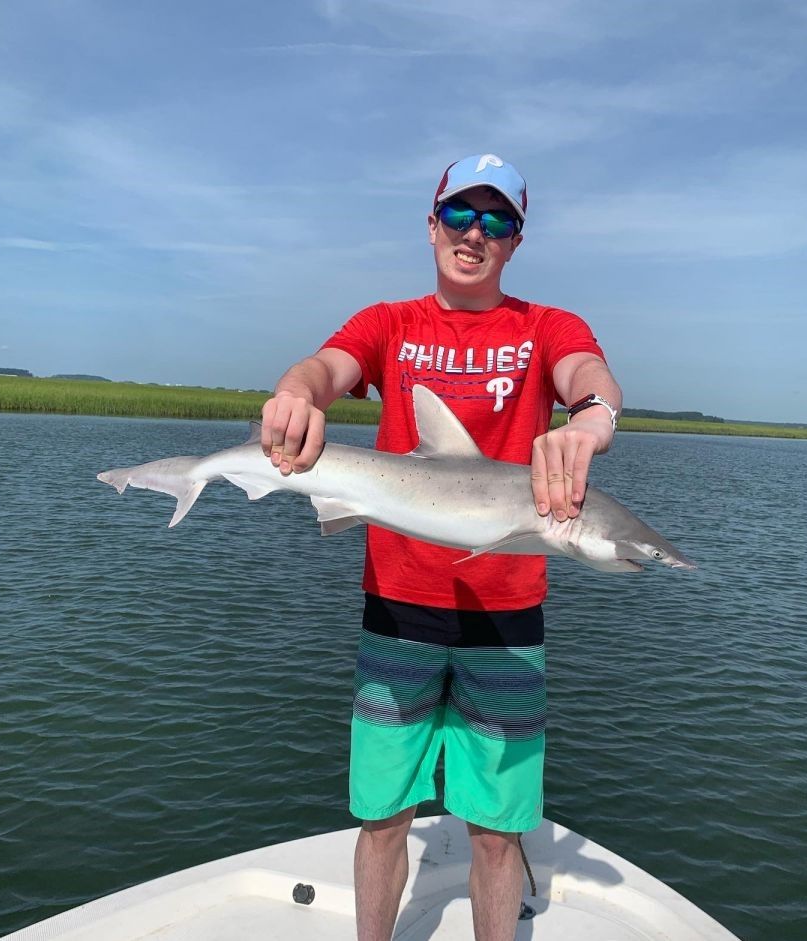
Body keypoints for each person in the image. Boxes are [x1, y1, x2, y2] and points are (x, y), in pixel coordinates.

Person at [260, 154, 622, 941]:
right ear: (431, 226)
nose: (474, 233)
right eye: (460, 214)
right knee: (384, 814)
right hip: (398, 612)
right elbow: (325, 367)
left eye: (496, 220)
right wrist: (296, 392)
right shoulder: (390, 324)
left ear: (515, 241)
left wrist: (593, 416)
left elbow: (586, 372)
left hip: (507, 620)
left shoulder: (544, 327)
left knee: (498, 829)